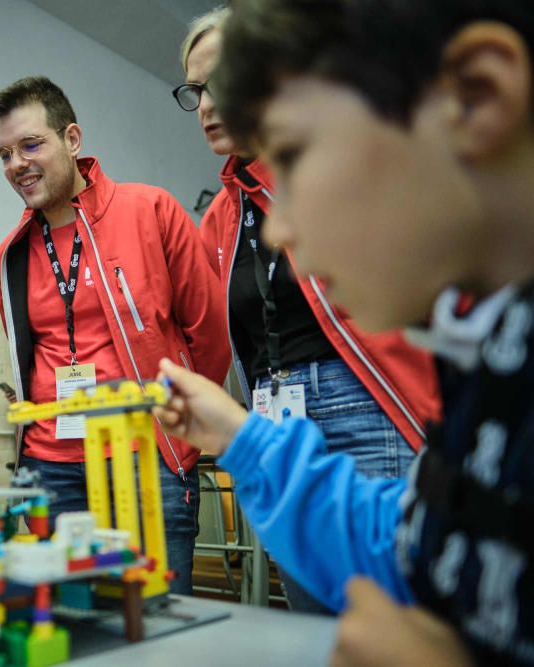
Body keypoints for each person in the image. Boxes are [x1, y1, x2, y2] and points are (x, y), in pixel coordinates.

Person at [156, 0, 534, 663]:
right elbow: (417, 544)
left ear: (474, 99)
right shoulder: (491, 361)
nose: (279, 229)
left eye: (296, 155)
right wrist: (240, 437)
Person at [174, 7, 442, 613]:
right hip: (276, 415)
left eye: (224, 81)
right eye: (195, 91)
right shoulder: (220, 217)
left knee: (392, 613)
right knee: (314, 624)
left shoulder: (341, 169)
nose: (208, 105)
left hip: (360, 410)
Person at [0, 76, 231, 595]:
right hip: (51, 467)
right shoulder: (11, 256)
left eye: (31, 145)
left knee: (160, 624)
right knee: (70, 626)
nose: (16, 165)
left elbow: (211, 333)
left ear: (72, 140)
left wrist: (177, 427)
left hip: (145, 457)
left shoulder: (150, 211)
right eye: (4, 154)